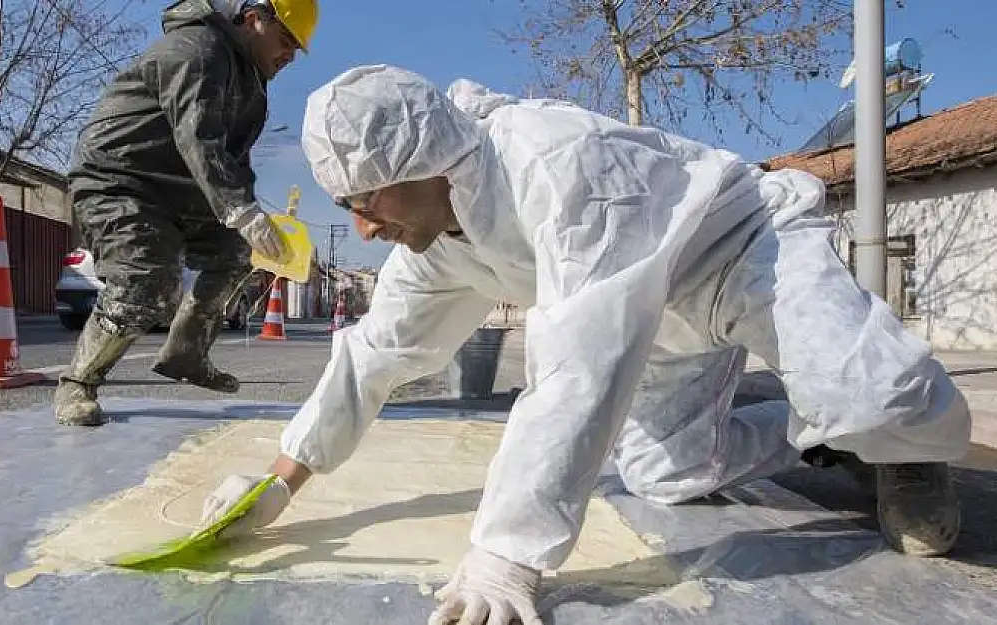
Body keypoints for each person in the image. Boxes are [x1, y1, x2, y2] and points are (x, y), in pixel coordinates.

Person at [198, 65, 971, 625]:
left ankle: (900, 447)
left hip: (740, 256)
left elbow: (578, 370)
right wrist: (278, 482)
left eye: (366, 201)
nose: (363, 228)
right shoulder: (436, 239)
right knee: (671, 474)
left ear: (422, 161)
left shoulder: (554, 166)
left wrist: (507, 553)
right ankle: (815, 437)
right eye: (348, 206)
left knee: (873, 393)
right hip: (662, 327)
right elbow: (374, 354)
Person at [55, 0, 319, 426]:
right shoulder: (197, 50)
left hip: (181, 188)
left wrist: (249, 215)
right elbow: (199, 139)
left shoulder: (250, 84)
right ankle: (78, 383)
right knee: (145, 279)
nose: (289, 55)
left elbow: (234, 160)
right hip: (120, 177)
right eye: (286, 40)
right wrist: (238, 209)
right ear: (255, 19)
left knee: (235, 251)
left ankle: (186, 353)